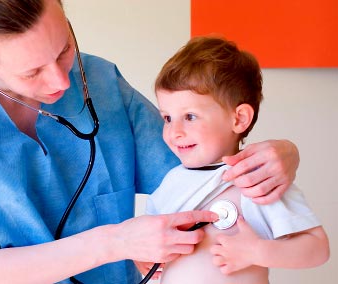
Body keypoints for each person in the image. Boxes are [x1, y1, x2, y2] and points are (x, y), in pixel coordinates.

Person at [0, 1, 300, 283]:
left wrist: (282, 153)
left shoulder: (101, 82)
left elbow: (202, 166)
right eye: (33, 71)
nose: (60, 82)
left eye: (65, 47)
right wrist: (116, 242)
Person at [136, 36, 329, 283]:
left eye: (190, 116)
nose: (175, 132)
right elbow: (148, 237)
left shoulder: (258, 180)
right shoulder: (170, 183)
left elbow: (318, 248)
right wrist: (142, 256)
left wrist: (257, 251)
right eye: (167, 118)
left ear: (238, 119)